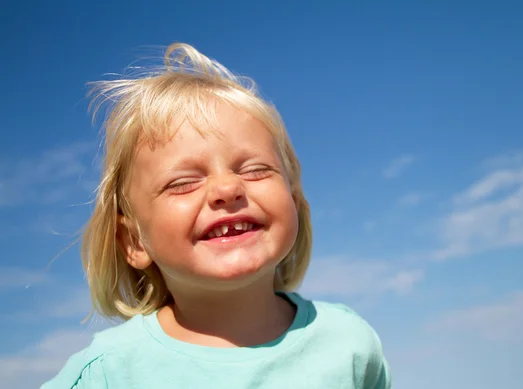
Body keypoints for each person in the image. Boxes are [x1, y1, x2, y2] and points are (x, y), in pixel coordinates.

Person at [41, 42, 392, 389]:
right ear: (134, 241)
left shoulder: (349, 346)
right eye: (182, 183)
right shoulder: (105, 375)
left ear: (294, 201)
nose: (227, 189)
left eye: (255, 169)